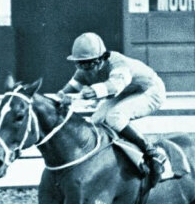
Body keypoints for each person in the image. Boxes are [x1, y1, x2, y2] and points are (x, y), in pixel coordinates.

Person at [58, 32, 172, 184]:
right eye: (80, 63)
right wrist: (60, 97)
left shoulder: (118, 63)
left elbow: (115, 87)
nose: (86, 69)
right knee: (95, 121)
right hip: (128, 91)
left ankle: (153, 153)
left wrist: (94, 91)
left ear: (103, 58)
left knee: (115, 116)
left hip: (150, 90)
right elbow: (67, 91)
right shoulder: (83, 70)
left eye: (90, 63)